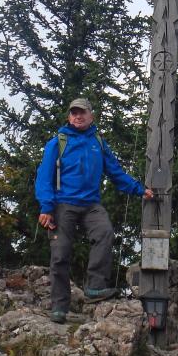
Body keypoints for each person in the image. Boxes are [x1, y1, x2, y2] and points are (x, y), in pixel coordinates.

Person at [35, 97, 154, 323]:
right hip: (63, 204)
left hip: (90, 204)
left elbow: (115, 172)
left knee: (105, 233)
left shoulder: (98, 142)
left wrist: (140, 190)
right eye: (74, 113)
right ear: (69, 117)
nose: (78, 116)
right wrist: (46, 207)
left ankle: (95, 287)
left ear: (91, 115)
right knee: (60, 254)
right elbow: (44, 177)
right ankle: (60, 306)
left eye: (82, 113)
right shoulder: (58, 142)